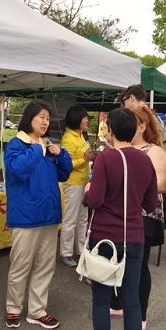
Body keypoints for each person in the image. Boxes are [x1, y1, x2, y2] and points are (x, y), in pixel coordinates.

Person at [83, 108, 158, 330]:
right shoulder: (145, 160)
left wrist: (87, 192)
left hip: (104, 239)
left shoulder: (106, 158)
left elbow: (94, 200)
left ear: (111, 130)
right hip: (135, 236)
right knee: (132, 299)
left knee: (102, 300)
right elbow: (150, 203)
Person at [4, 101, 73, 330]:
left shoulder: (49, 146)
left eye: (47, 118)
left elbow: (65, 173)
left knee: (45, 266)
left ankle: (37, 310)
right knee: (20, 265)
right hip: (26, 217)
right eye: (41, 117)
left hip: (49, 215)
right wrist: (36, 148)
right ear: (29, 118)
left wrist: (61, 153)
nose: (45, 122)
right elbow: (18, 171)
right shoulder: (17, 145)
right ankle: (13, 308)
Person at [109, 104, 166, 330]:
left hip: (144, 217)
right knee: (118, 261)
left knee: (139, 267)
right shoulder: (119, 149)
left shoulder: (153, 151)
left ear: (143, 126)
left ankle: (141, 315)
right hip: (119, 216)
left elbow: (164, 185)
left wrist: (132, 190)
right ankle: (117, 305)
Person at [60, 105, 96, 267]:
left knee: (82, 219)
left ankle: (81, 249)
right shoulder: (68, 139)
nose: (87, 120)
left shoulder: (81, 136)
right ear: (76, 119)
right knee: (70, 219)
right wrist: (85, 159)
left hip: (84, 182)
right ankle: (66, 253)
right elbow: (65, 164)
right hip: (73, 183)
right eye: (84, 118)